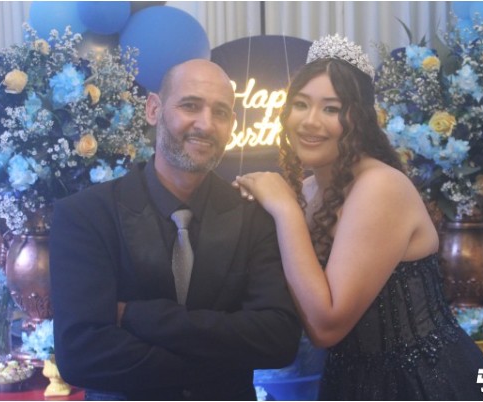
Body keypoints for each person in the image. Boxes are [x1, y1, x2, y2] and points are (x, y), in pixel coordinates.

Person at [234, 35, 483, 400]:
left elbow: (326, 327)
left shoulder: (380, 187)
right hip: (348, 382)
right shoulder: (309, 191)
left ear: (358, 119)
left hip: (421, 382)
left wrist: (284, 209)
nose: (310, 121)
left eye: (331, 109)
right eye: (300, 104)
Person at [49, 59, 301, 400]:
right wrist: (225, 359)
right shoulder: (86, 215)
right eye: (190, 106)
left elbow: (278, 340)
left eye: (220, 112)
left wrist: (137, 316)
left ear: (232, 124)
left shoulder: (252, 215)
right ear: (154, 109)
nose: (206, 124)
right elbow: (81, 356)